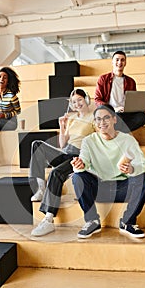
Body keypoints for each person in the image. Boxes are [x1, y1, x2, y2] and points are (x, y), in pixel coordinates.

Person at [71, 104, 145, 239]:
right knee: (77, 176)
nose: (102, 122)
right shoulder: (88, 141)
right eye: (98, 119)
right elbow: (83, 163)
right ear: (94, 122)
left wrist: (132, 169)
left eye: (106, 118)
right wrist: (79, 165)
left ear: (114, 119)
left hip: (123, 189)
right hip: (98, 189)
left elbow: (143, 165)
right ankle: (92, 221)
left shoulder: (127, 140)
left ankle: (128, 222)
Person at [30, 88, 95, 237]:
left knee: (56, 172)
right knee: (36, 144)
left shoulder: (93, 117)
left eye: (79, 99)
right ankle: (41, 188)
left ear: (86, 99)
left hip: (79, 155)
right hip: (66, 153)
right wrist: (62, 126)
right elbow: (62, 144)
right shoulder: (71, 118)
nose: (77, 103)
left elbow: (97, 140)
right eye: (73, 102)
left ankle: (48, 219)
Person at [94, 50, 145, 132]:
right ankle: (122, 132)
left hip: (125, 112)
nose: (120, 62)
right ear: (112, 62)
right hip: (111, 112)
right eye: (117, 60)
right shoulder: (103, 79)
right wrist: (114, 109)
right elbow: (97, 100)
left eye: (122, 60)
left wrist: (135, 107)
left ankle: (119, 131)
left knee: (142, 117)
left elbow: (132, 101)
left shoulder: (131, 81)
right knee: (118, 118)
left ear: (125, 63)